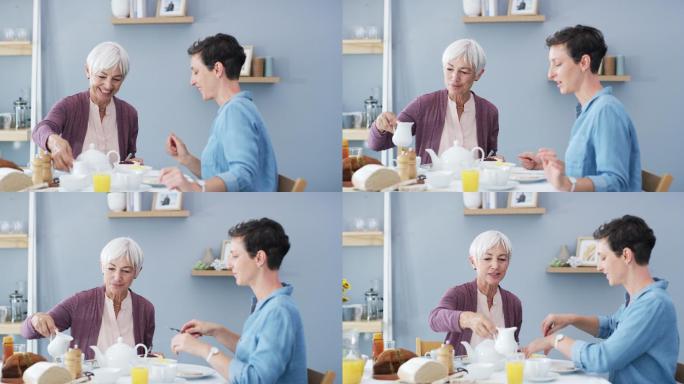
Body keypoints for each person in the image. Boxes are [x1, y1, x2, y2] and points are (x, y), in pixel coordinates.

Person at [525, 215, 679, 383]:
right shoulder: (640, 299)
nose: (599, 266)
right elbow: (612, 326)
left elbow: (602, 358)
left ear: (626, 255)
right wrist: (572, 319)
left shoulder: (652, 304)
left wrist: (555, 340)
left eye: (603, 257)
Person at [170, 218, 306, 383]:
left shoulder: (278, 311)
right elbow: (253, 354)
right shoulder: (267, 305)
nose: (228, 264)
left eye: (235, 256)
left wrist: (203, 350)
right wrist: (217, 331)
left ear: (259, 258)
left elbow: (255, 379)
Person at [518, 25, 641, 191]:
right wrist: (548, 167)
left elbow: (616, 182)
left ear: (584, 62)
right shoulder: (587, 111)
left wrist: (568, 184)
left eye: (558, 64)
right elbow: (588, 171)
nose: (550, 74)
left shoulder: (606, 111)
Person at [160, 34, 278, 192]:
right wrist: (186, 158)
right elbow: (220, 175)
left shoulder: (236, 112)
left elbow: (242, 174)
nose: (192, 81)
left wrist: (196, 188)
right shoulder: (233, 110)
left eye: (196, 72)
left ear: (217, 69)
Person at [367, 38, 501, 164]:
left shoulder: (489, 112)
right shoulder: (423, 105)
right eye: (449, 69)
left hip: (471, 186)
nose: (454, 78)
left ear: (478, 74)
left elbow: (488, 155)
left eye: (464, 72)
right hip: (433, 185)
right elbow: (377, 144)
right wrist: (380, 126)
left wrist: (495, 161)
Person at [21, 238, 154, 359]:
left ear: (137, 272)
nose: (117, 277)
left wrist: (154, 359)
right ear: (102, 266)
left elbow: (143, 355)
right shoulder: (81, 302)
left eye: (126, 271)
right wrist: (35, 320)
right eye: (111, 268)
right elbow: (27, 332)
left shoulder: (145, 308)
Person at [32, 42, 140, 171]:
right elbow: (40, 130)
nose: (108, 85)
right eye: (101, 76)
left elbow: (128, 158)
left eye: (116, 79)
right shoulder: (69, 106)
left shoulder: (129, 114)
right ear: (87, 71)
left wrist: (132, 164)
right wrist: (54, 141)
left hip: (112, 189)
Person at [428, 231, 522, 355]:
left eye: (502, 259)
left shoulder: (513, 303)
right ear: (473, 262)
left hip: (501, 373)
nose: (495, 265)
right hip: (463, 372)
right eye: (487, 258)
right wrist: (468, 319)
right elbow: (435, 319)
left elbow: (513, 344)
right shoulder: (458, 294)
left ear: (508, 263)